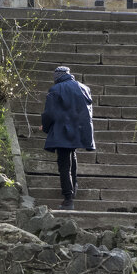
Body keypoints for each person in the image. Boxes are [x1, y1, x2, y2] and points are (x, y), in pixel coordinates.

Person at [40, 65, 95, 210]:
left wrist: (45, 127)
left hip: (62, 131)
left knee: (64, 165)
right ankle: (73, 188)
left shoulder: (55, 89)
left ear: (57, 76)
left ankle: (68, 199)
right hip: (79, 130)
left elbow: (49, 113)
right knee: (72, 159)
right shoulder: (84, 88)